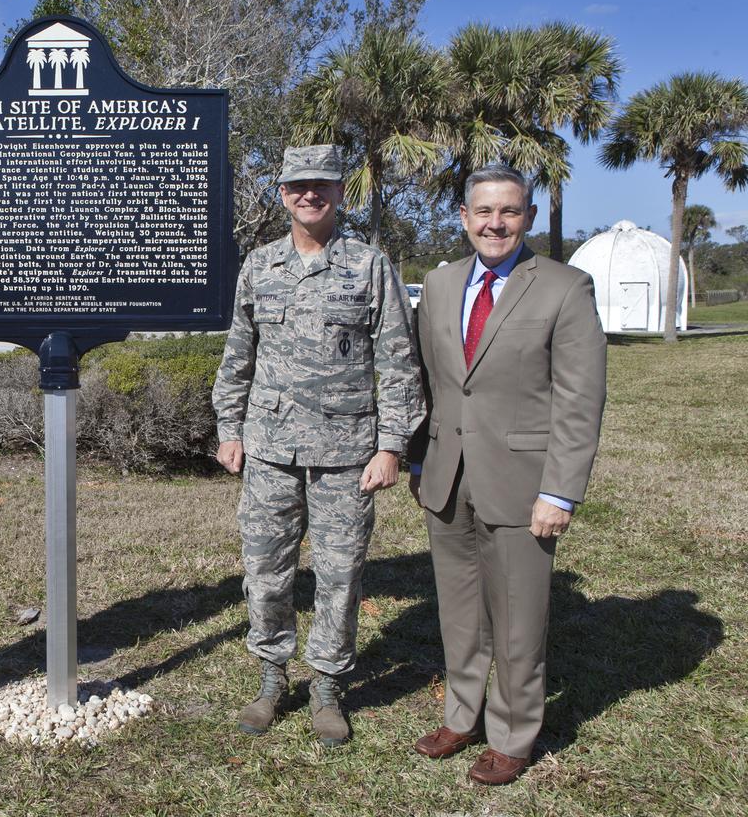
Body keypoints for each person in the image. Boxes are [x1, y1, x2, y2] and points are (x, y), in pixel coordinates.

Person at [212, 144, 424, 744]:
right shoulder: (259, 265)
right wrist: (229, 428)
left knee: (339, 573)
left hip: (345, 452)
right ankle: (272, 676)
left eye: (322, 185)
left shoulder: (367, 264)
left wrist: (390, 447)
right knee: (266, 569)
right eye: (298, 185)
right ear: (282, 194)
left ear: (340, 194)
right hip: (270, 448)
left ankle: (327, 684)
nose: (310, 194)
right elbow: (238, 353)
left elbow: (398, 361)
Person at [407, 164, 606, 784]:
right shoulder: (439, 287)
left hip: (524, 485)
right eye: (484, 212)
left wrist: (559, 491)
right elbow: (427, 382)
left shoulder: (564, 287)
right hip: (447, 478)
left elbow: (580, 401)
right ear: (464, 218)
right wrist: (418, 460)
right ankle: (461, 715)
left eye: (510, 212)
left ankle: (514, 734)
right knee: (459, 611)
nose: (496, 223)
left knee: (518, 617)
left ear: (529, 218)